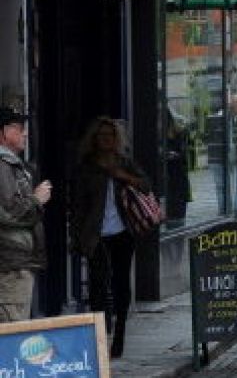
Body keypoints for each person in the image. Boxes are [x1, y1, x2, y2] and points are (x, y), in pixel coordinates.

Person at [69, 117, 147, 358]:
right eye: (101, 135)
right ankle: (100, 336)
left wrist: (124, 176)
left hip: (123, 233)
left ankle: (120, 333)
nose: (105, 140)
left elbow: (146, 186)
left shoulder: (125, 163)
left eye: (110, 135)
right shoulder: (86, 167)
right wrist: (78, 236)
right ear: (94, 139)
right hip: (96, 235)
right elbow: (78, 205)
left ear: (116, 139)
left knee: (122, 283)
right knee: (98, 286)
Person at [0, 107, 50, 323]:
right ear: (3, 132)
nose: (25, 134)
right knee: (11, 330)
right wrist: (37, 199)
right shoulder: (3, 165)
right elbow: (9, 212)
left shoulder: (10, 164)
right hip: (10, 264)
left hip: (13, 261)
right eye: (20, 128)